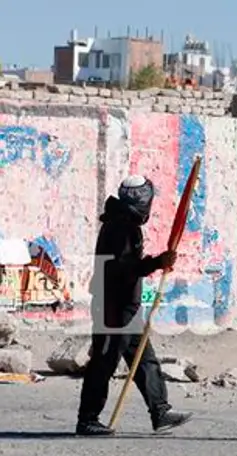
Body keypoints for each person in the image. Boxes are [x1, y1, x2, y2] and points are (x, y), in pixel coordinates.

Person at [76, 175, 193, 436]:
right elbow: (122, 268)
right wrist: (156, 263)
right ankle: (87, 419)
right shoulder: (121, 227)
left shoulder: (124, 223)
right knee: (104, 363)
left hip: (126, 307)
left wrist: (156, 263)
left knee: (145, 360)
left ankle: (160, 412)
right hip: (112, 307)